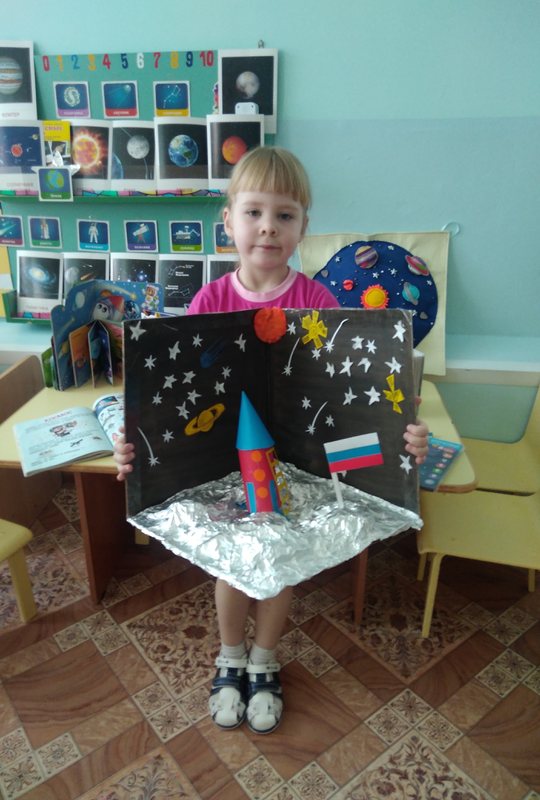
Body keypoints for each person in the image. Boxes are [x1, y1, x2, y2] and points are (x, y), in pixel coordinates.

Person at [114, 146, 429, 735]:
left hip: (296, 475)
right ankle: (230, 656)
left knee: (278, 570)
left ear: (303, 227)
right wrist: (134, 444)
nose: (268, 227)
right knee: (233, 571)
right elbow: (174, 399)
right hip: (223, 474)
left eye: (284, 215)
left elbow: (351, 398)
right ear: (228, 221)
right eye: (254, 212)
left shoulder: (318, 303)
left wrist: (402, 436)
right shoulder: (208, 303)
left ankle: (264, 660)